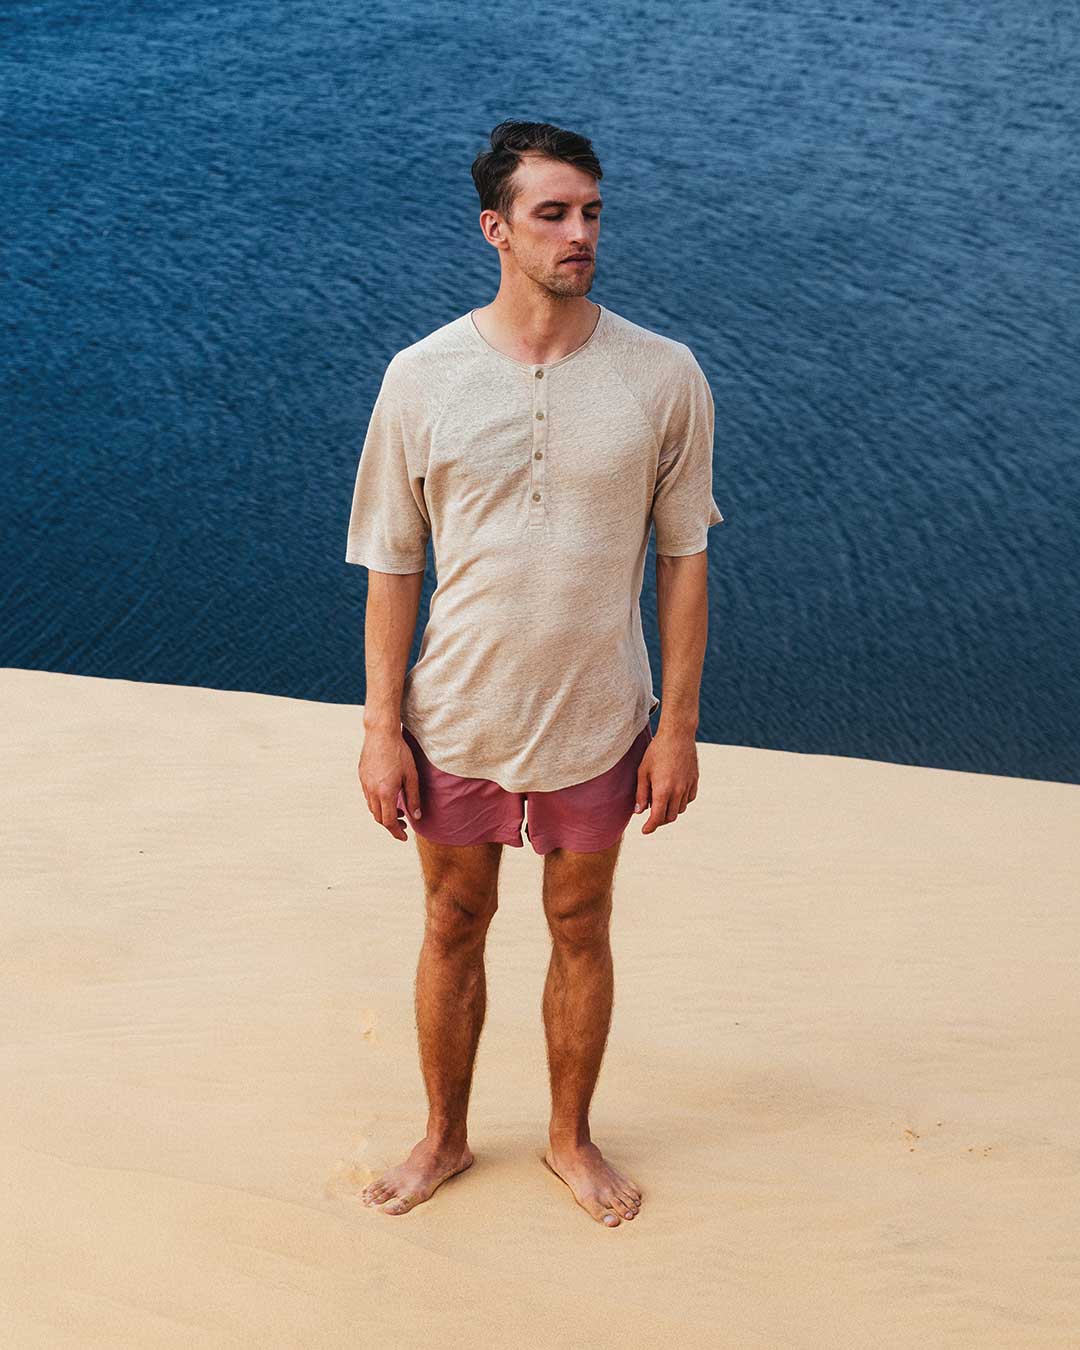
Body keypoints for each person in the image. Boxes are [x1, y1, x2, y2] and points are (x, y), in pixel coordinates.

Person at [345, 119, 725, 1228]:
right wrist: (379, 729)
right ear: (495, 230)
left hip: (600, 717)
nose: (579, 234)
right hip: (455, 714)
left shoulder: (664, 374)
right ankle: (444, 1137)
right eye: (552, 214)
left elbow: (685, 563)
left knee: (581, 921)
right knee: (453, 920)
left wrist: (677, 728)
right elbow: (392, 565)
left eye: (591, 213)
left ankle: (569, 1137)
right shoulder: (422, 377)